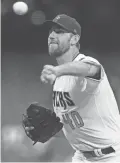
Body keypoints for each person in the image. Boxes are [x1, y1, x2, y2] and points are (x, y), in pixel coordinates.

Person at [40, 14, 120, 162]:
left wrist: (58, 71)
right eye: (50, 31)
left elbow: (91, 69)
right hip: (81, 156)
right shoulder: (59, 81)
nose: (51, 35)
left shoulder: (86, 62)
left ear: (74, 39)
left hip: (111, 156)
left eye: (59, 31)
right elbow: (73, 122)